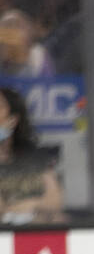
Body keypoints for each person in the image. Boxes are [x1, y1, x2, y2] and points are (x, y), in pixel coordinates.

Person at [0, 86, 63, 225]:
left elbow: (55, 201)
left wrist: (32, 204)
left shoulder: (35, 158)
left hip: (35, 227)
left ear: (13, 120)